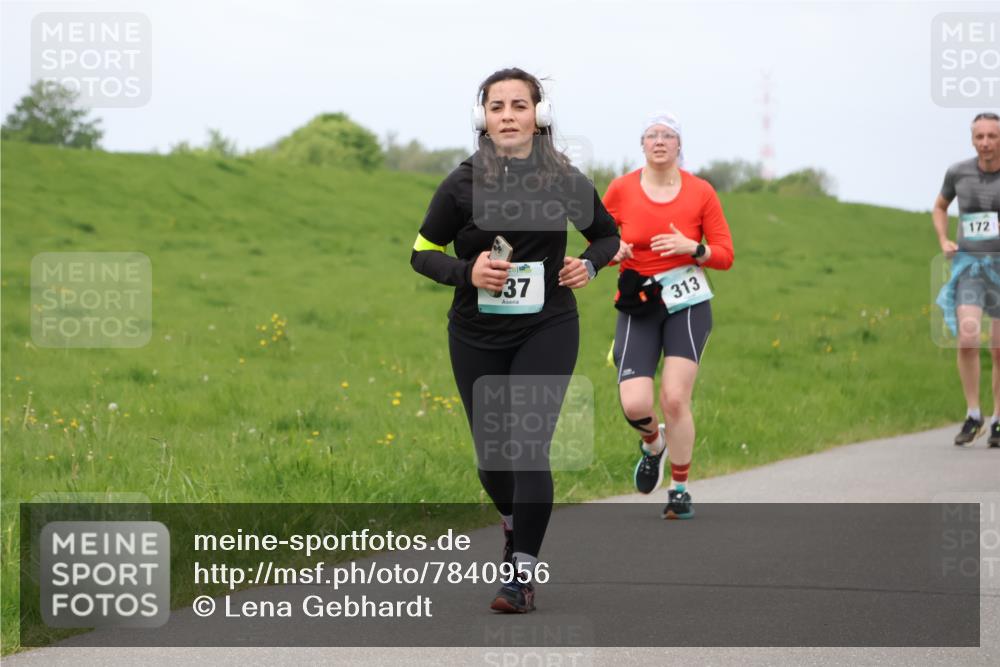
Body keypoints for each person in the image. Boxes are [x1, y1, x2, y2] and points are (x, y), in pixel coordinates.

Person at [410, 67, 621, 612]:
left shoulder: (564, 180)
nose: (507, 115)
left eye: (519, 106)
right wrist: (467, 272)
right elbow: (421, 252)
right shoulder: (461, 183)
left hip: (547, 325)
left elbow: (607, 235)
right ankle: (511, 523)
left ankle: (521, 575)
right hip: (475, 332)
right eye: (497, 106)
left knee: (529, 449)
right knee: (492, 460)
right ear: (482, 117)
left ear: (538, 116)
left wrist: (590, 266)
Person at [604, 112, 734, 519]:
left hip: (687, 304)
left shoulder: (701, 192)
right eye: (651, 135)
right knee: (634, 404)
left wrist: (691, 246)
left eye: (668, 135)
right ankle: (652, 445)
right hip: (639, 302)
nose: (659, 141)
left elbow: (725, 255)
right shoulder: (621, 189)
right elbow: (600, 241)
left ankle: (679, 489)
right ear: (641, 145)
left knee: (675, 399)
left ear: (680, 146)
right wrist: (614, 251)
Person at [933, 111, 1000, 448]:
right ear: (972, 139)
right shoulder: (958, 172)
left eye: (992, 136)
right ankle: (974, 414)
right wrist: (944, 240)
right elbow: (940, 207)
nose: (985, 143)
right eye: (980, 137)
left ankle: (999, 420)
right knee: (968, 337)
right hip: (970, 267)